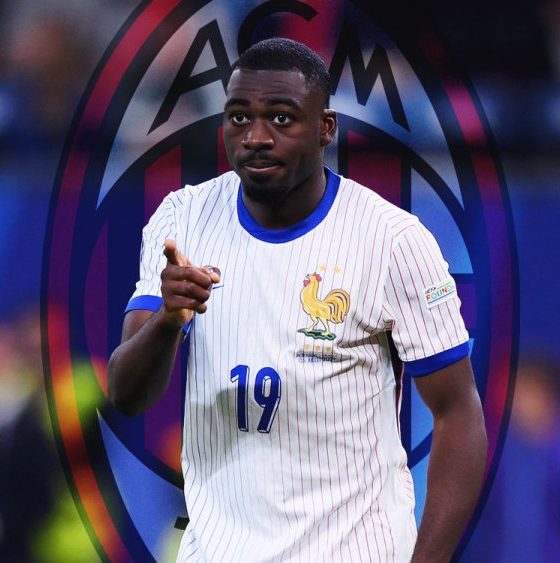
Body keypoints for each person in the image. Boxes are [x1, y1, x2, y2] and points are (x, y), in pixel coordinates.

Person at [108, 38, 487, 562]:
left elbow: (458, 413)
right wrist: (168, 320)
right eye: (239, 118)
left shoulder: (393, 240)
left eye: (282, 119)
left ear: (326, 128)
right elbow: (126, 395)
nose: (256, 137)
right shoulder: (183, 219)